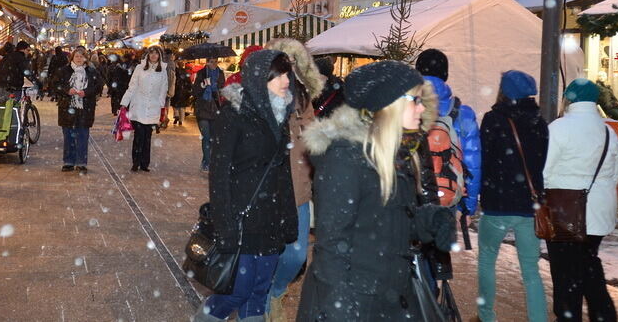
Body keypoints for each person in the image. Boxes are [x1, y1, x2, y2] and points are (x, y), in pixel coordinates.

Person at [296, 61, 456, 320]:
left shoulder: (396, 153)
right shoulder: (346, 157)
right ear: (388, 104)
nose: (422, 108)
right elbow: (331, 244)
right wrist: (341, 306)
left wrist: (427, 221)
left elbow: (385, 223)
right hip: (355, 299)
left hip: (389, 293)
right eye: (415, 100)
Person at [195, 50, 298, 322]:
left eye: (288, 73)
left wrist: (290, 220)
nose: (287, 80)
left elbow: (282, 173)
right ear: (259, 78)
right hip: (241, 220)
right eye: (280, 74)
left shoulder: (279, 114)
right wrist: (224, 225)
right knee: (237, 293)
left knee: (259, 292)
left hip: (271, 220)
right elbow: (218, 176)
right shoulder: (233, 116)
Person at [543, 79, 618, 322]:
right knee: (588, 263)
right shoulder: (608, 131)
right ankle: (603, 314)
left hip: (565, 211)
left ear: (569, 98)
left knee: (565, 272)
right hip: (598, 213)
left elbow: (544, 170)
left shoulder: (558, 128)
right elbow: (615, 174)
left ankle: (569, 316)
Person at [262, 38, 326, 320]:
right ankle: (264, 302)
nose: (288, 76)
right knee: (265, 255)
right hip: (266, 190)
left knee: (296, 255)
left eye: (293, 69)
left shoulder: (302, 99)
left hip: (298, 190)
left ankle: (275, 290)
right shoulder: (259, 98)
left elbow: (313, 137)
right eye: (283, 69)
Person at [477, 71, 549, 322]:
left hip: (497, 202)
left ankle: (486, 316)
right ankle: (538, 318)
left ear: (504, 91)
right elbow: (541, 163)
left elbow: (484, 159)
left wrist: (480, 192)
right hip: (529, 205)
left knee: (487, 259)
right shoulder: (539, 123)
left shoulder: (492, 119)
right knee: (531, 270)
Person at [415, 48, 481, 217]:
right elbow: (472, 162)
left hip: (413, 192)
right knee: (443, 241)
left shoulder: (405, 107)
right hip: (448, 190)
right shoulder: (462, 113)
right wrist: (468, 205)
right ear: (445, 74)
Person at [49, 46, 103, 173]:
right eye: (77, 56)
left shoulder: (91, 71)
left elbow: (99, 86)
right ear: (72, 57)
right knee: (68, 135)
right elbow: (55, 84)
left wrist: (86, 92)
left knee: (83, 135)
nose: (79, 59)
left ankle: (81, 162)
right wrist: (67, 90)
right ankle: (68, 161)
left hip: (85, 108)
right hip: (67, 107)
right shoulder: (64, 71)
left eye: (81, 56)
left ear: (86, 58)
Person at [121, 45, 169, 172]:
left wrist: (161, 107)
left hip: (153, 108)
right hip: (139, 106)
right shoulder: (139, 68)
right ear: (148, 55)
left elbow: (163, 91)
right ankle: (135, 161)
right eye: (151, 53)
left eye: (156, 53)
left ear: (159, 56)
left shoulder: (163, 70)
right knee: (138, 136)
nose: (153, 56)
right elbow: (132, 86)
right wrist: (124, 103)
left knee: (147, 137)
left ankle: (144, 163)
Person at [192, 57, 226, 171]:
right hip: (203, 108)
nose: (214, 64)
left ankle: (206, 160)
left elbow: (223, 89)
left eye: (216, 61)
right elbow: (195, 91)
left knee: (212, 138)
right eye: (212, 61)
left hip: (216, 108)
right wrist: (203, 85)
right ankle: (208, 162)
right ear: (207, 62)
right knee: (206, 137)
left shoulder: (220, 73)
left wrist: (215, 87)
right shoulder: (201, 73)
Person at [170, 58, 193, 125]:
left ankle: (176, 115)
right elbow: (189, 82)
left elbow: (172, 80)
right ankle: (181, 120)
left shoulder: (175, 71)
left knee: (175, 105)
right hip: (184, 91)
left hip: (176, 89)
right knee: (182, 107)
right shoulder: (186, 72)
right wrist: (189, 89)